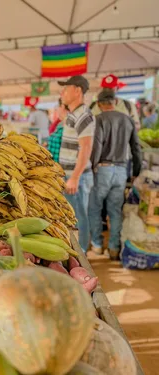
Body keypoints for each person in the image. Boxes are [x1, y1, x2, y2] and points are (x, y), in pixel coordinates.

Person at [89, 89, 142, 260]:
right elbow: (136, 148)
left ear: (98, 104)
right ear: (115, 102)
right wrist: (136, 172)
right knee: (115, 211)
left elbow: (96, 147)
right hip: (121, 170)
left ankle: (97, 245)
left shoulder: (98, 120)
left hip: (102, 169)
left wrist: (91, 167)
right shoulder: (128, 120)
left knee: (95, 208)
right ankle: (114, 248)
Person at [58, 76, 95, 253]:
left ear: (78, 90)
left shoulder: (84, 115)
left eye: (66, 89)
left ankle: (82, 254)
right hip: (69, 175)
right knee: (72, 216)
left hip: (77, 177)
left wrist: (75, 177)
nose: (62, 93)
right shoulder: (74, 114)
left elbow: (86, 148)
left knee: (79, 216)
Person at [47, 99, 68, 163]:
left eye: (57, 107)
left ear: (62, 107)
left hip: (63, 167)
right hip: (54, 167)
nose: (57, 110)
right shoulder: (60, 124)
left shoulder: (70, 125)